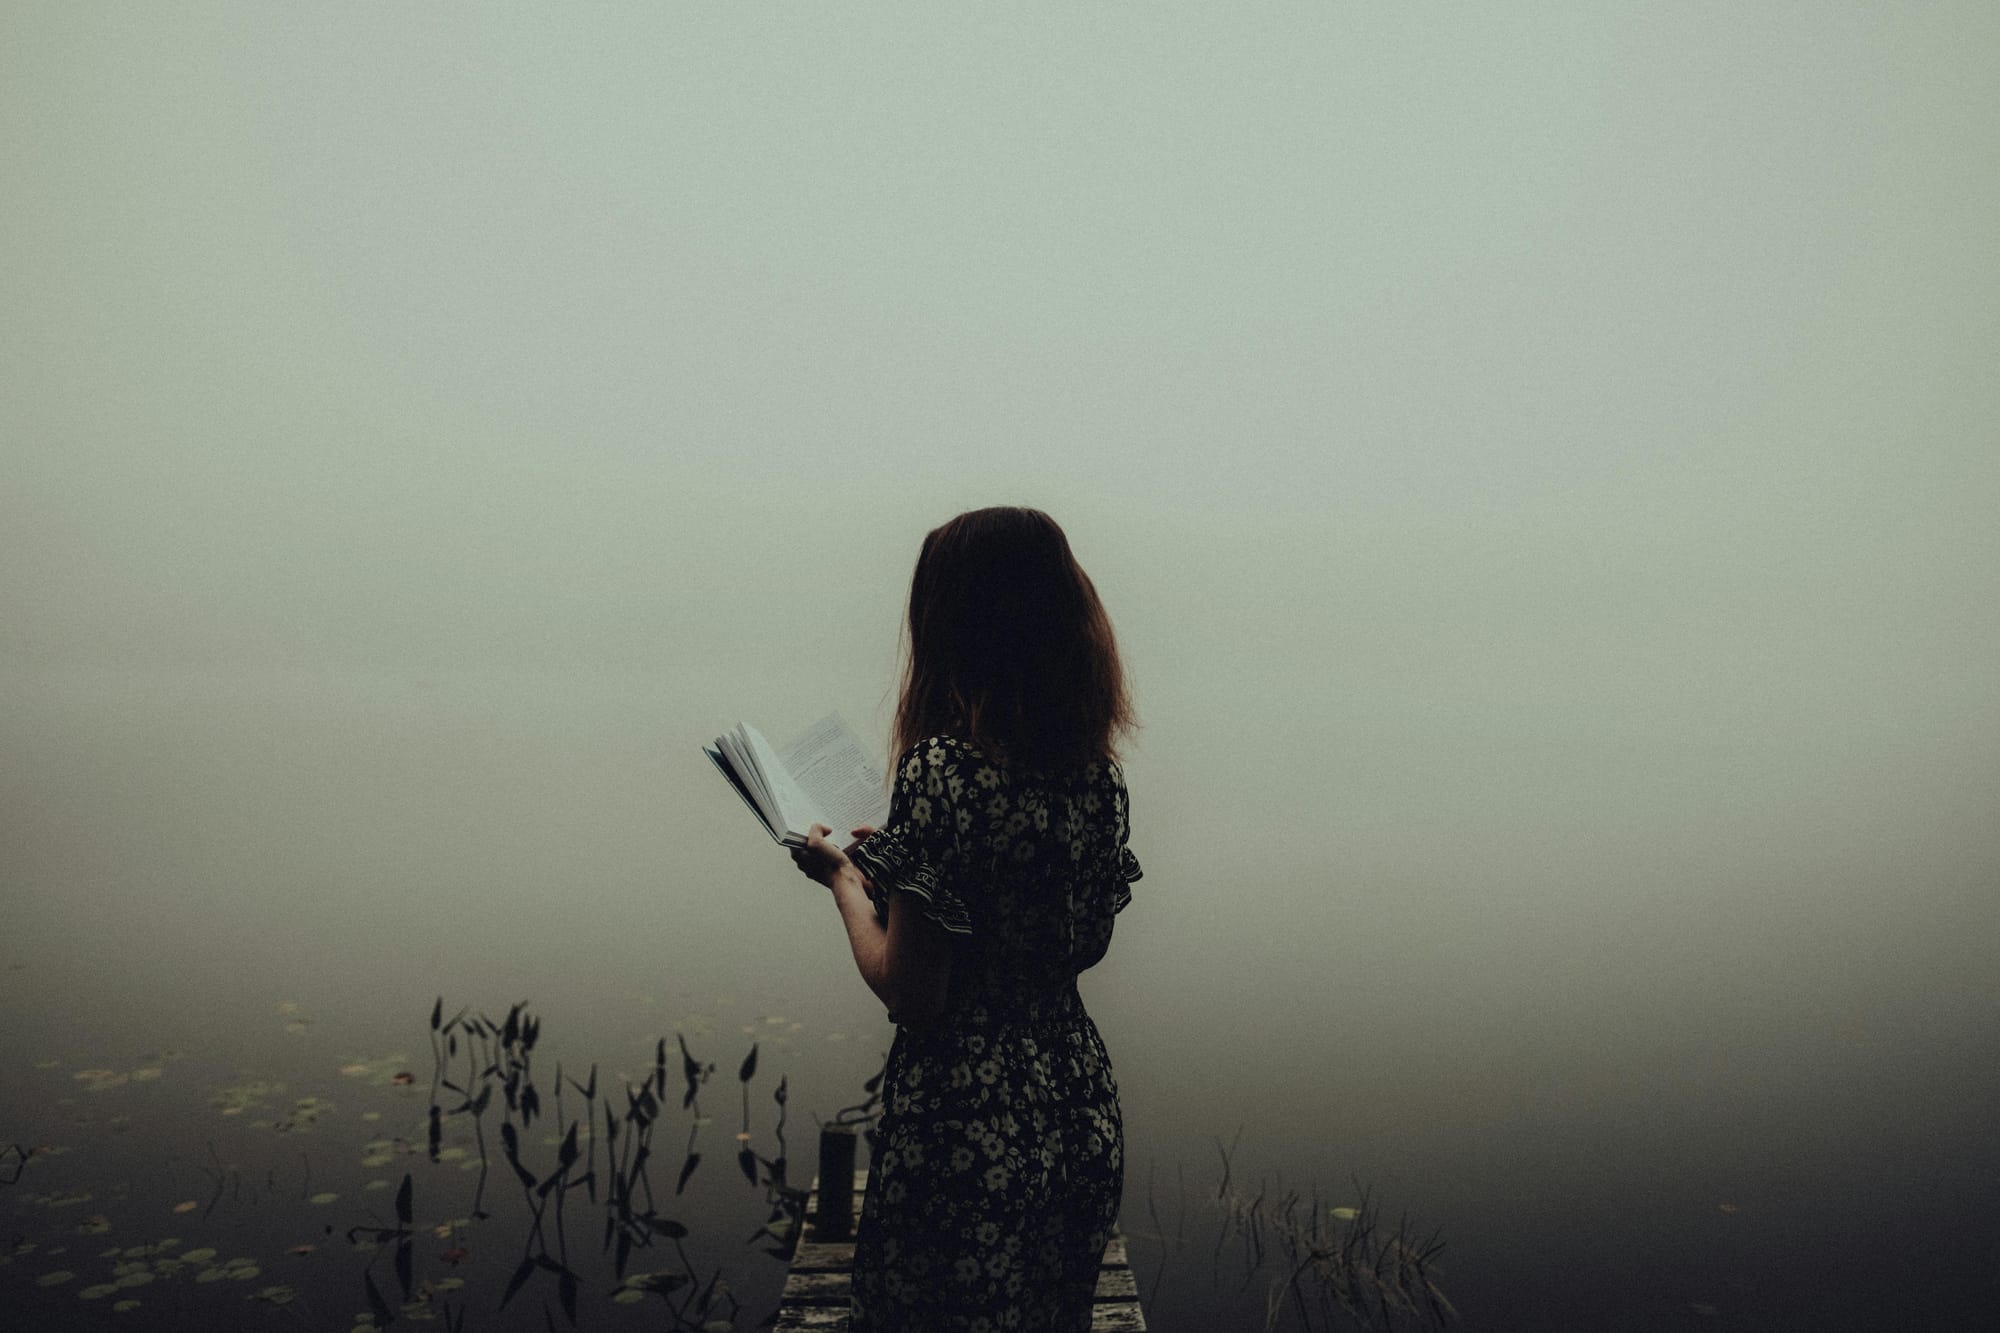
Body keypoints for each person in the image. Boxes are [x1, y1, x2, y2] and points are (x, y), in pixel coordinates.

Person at [789, 505, 1142, 1332]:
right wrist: (910, 863)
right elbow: (1059, 939)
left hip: (965, 1126)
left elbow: (913, 992)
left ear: (956, 627)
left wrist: (843, 877)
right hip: (1076, 1104)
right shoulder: (1098, 777)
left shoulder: (941, 770)